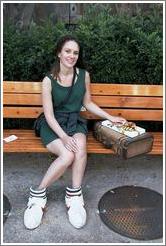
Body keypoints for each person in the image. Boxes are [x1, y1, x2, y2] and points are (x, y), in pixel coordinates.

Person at [24, 35, 126, 230]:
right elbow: (49, 115)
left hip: (75, 121)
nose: (72, 56)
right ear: (59, 53)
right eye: (68, 51)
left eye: (75, 53)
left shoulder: (83, 75)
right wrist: (63, 136)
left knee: (80, 148)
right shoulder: (48, 81)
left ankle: (74, 195)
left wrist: (110, 117)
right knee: (67, 153)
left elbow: (87, 103)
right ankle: (37, 194)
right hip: (53, 125)